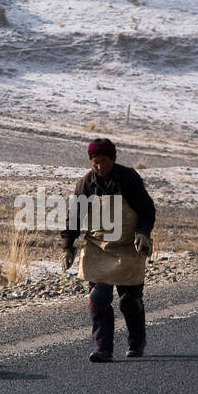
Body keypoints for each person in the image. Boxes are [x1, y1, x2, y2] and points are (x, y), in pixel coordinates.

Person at [61, 138, 157, 362]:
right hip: (98, 247)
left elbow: (146, 209)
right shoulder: (86, 184)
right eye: (95, 162)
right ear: (90, 162)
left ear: (113, 160)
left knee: (129, 302)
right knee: (99, 298)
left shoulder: (128, 178)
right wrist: (68, 247)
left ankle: (136, 342)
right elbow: (74, 216)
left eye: (104, 161)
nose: (99, 167)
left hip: (127, 247)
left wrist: (143, 232)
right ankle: (103, 348)